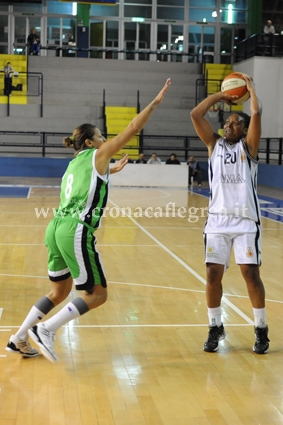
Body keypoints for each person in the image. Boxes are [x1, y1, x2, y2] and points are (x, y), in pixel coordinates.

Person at [5, 78, 171, 362]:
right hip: (75, 230)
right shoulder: (98, 153)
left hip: (55, 228)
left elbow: (84, 185)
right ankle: (46, 329)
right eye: (102, 137)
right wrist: (154, 104)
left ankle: (19, 337)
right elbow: (132, 129)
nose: (106, 140)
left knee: (59, 290)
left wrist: (110, 172)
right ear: (90, 142)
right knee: (97, 295)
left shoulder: (72, 164)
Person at [190, 74, 269, 355]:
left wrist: (251, 89)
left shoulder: (249, 147)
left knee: (250, 274)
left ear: (245, 129)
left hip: (246, 221)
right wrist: (221, 97)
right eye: (227, 122)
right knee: (212, 274)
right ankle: (215, 327)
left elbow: (257, 111)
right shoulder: (214, 145)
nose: (229, 125)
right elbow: (195, 113)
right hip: (218, 221)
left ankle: (261, 330)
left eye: (236, 122)